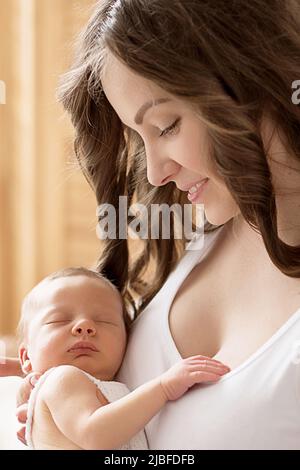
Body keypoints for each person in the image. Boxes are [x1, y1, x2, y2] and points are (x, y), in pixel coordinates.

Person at [1, 0, 300, 449]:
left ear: (253, 80)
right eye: (139, 137)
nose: (157, 174)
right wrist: (66, 389)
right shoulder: (210, 224)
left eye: (165, 125)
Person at [14, 266, 231, 449]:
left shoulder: (101, 386)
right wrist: (163, 387)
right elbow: (94, 434)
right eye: (59, 320)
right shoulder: (62, 379)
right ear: (25, 357)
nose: (85, 326)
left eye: (104, 321)